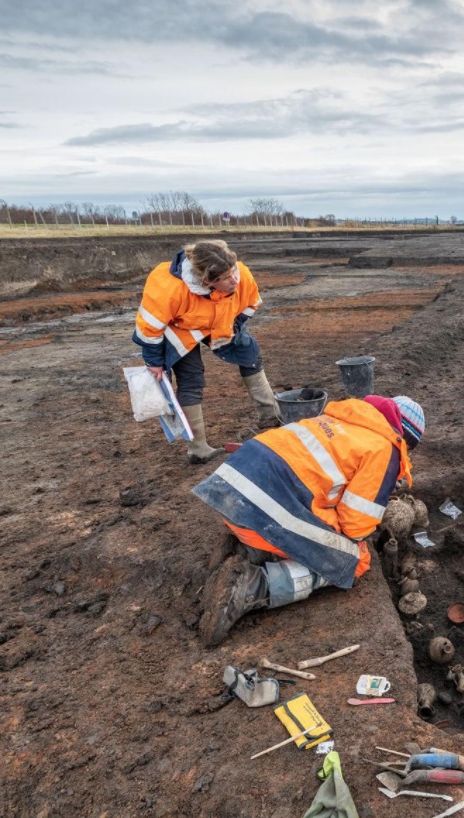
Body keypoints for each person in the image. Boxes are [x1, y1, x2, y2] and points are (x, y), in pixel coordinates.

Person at [192, 394, 426, 645]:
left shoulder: (341, 417)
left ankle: (250, 550)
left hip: (231, 497)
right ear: (405, 440)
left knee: (312, 522)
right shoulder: (385, 448)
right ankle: (253, 586)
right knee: (354, 559)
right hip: (262, 509)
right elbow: (355, 526)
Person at [133, 240, 282, 463]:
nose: (234, 280)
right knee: (191, 379)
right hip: (181, 330)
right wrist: (154, 361)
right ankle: (198, 448)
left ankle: (271, 417)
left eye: (233, 272)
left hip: (221, 321)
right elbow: (149, 327)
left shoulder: (241, 275)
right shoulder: (168, 286)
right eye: (225, 278)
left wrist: (236, 324)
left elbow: (251, 303)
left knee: (250, 355)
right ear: (206, 281)